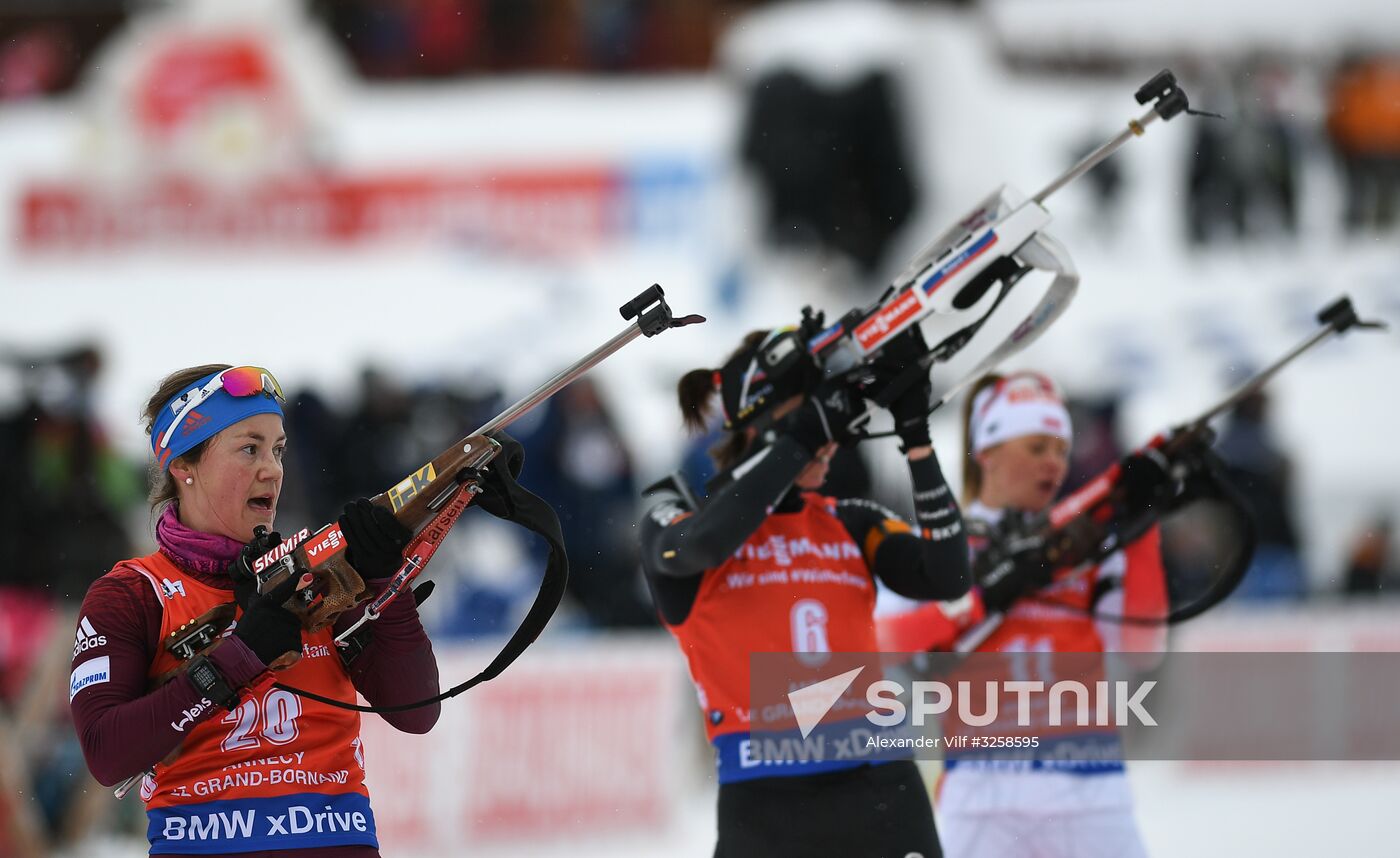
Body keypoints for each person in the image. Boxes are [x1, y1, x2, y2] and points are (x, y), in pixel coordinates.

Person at [69, 364, 441, 856]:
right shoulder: (132, 593)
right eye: (249, 448)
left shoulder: (317, 573)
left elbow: (416, 711)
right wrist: (240, 656)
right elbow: (106, 753)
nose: (272, 468)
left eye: (278, 449)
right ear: (184, 467)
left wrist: (381, 583)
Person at [638, 328, 972, 857]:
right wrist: (799, 440)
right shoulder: (675, 515)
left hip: (883, 791)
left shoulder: (848, 520)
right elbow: (699, 546)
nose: (831, 438)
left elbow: (949, 575)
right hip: (767, 812)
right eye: (814, 416)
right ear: (759, 423)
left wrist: (917, 439)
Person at [878, 371, 1167, 858]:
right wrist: (981, 598)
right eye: (1036, 448)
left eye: (1060, 449)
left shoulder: (1085, 546)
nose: (1053, 463)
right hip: (983, 786)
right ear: (988, 452)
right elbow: (881, 643)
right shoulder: (940, 548)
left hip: (1090, 785)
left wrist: (1141, 530)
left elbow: (1142, 651)